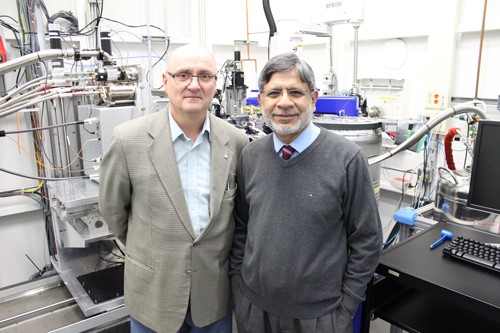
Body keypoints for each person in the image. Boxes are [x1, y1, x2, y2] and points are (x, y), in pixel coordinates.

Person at [99, 44, 248, 333]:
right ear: (166, 82)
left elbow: (238, 217)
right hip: (153, 295)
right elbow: (113, 212)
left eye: (204, 76)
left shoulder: (237, 142)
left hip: (213, 298)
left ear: (215, 84)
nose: (194, 84)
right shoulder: (129, 140)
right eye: (183, 75)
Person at [229, 52, 383, 333]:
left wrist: (345, 308)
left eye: (295, 92)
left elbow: (367, 240)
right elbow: (241, 227)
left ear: (313, 99)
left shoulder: (347, 159)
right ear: (262, 100)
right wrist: (240, 290)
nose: (284, 102)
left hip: (321, 318)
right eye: (274, 92)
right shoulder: (250, 156)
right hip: (254, 311)